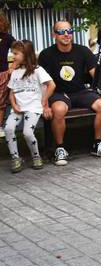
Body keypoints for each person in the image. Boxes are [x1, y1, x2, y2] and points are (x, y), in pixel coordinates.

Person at [38, 20, 101, 166]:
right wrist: (45, 105)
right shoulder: (46, 55)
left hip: (80, 91)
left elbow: (96, 75)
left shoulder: (83, 51)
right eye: (61, 31)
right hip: (59, 93)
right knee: (58, 110)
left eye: (69, 31)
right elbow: (43, 83)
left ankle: (97, 144)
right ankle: (60, 148)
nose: (66, 34)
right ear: (54, 35)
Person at [5, 40, 54, 173]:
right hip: (18, 108)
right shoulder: (15, 72)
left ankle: (36, 156)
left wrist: (44, 101)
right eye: (12, 53)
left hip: (33, 108)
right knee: (8, 129)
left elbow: (51, 85)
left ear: (25, 54)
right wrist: (14, 104)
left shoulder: (38, 70)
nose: (13, 56)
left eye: (16, 53)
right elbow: (11, 93)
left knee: (27, 132)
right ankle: (16, 158)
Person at [0, 10, 16, 139]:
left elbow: (20, 50)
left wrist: (13, 66)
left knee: (1, 103)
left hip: (2, 74)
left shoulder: (6, 37)